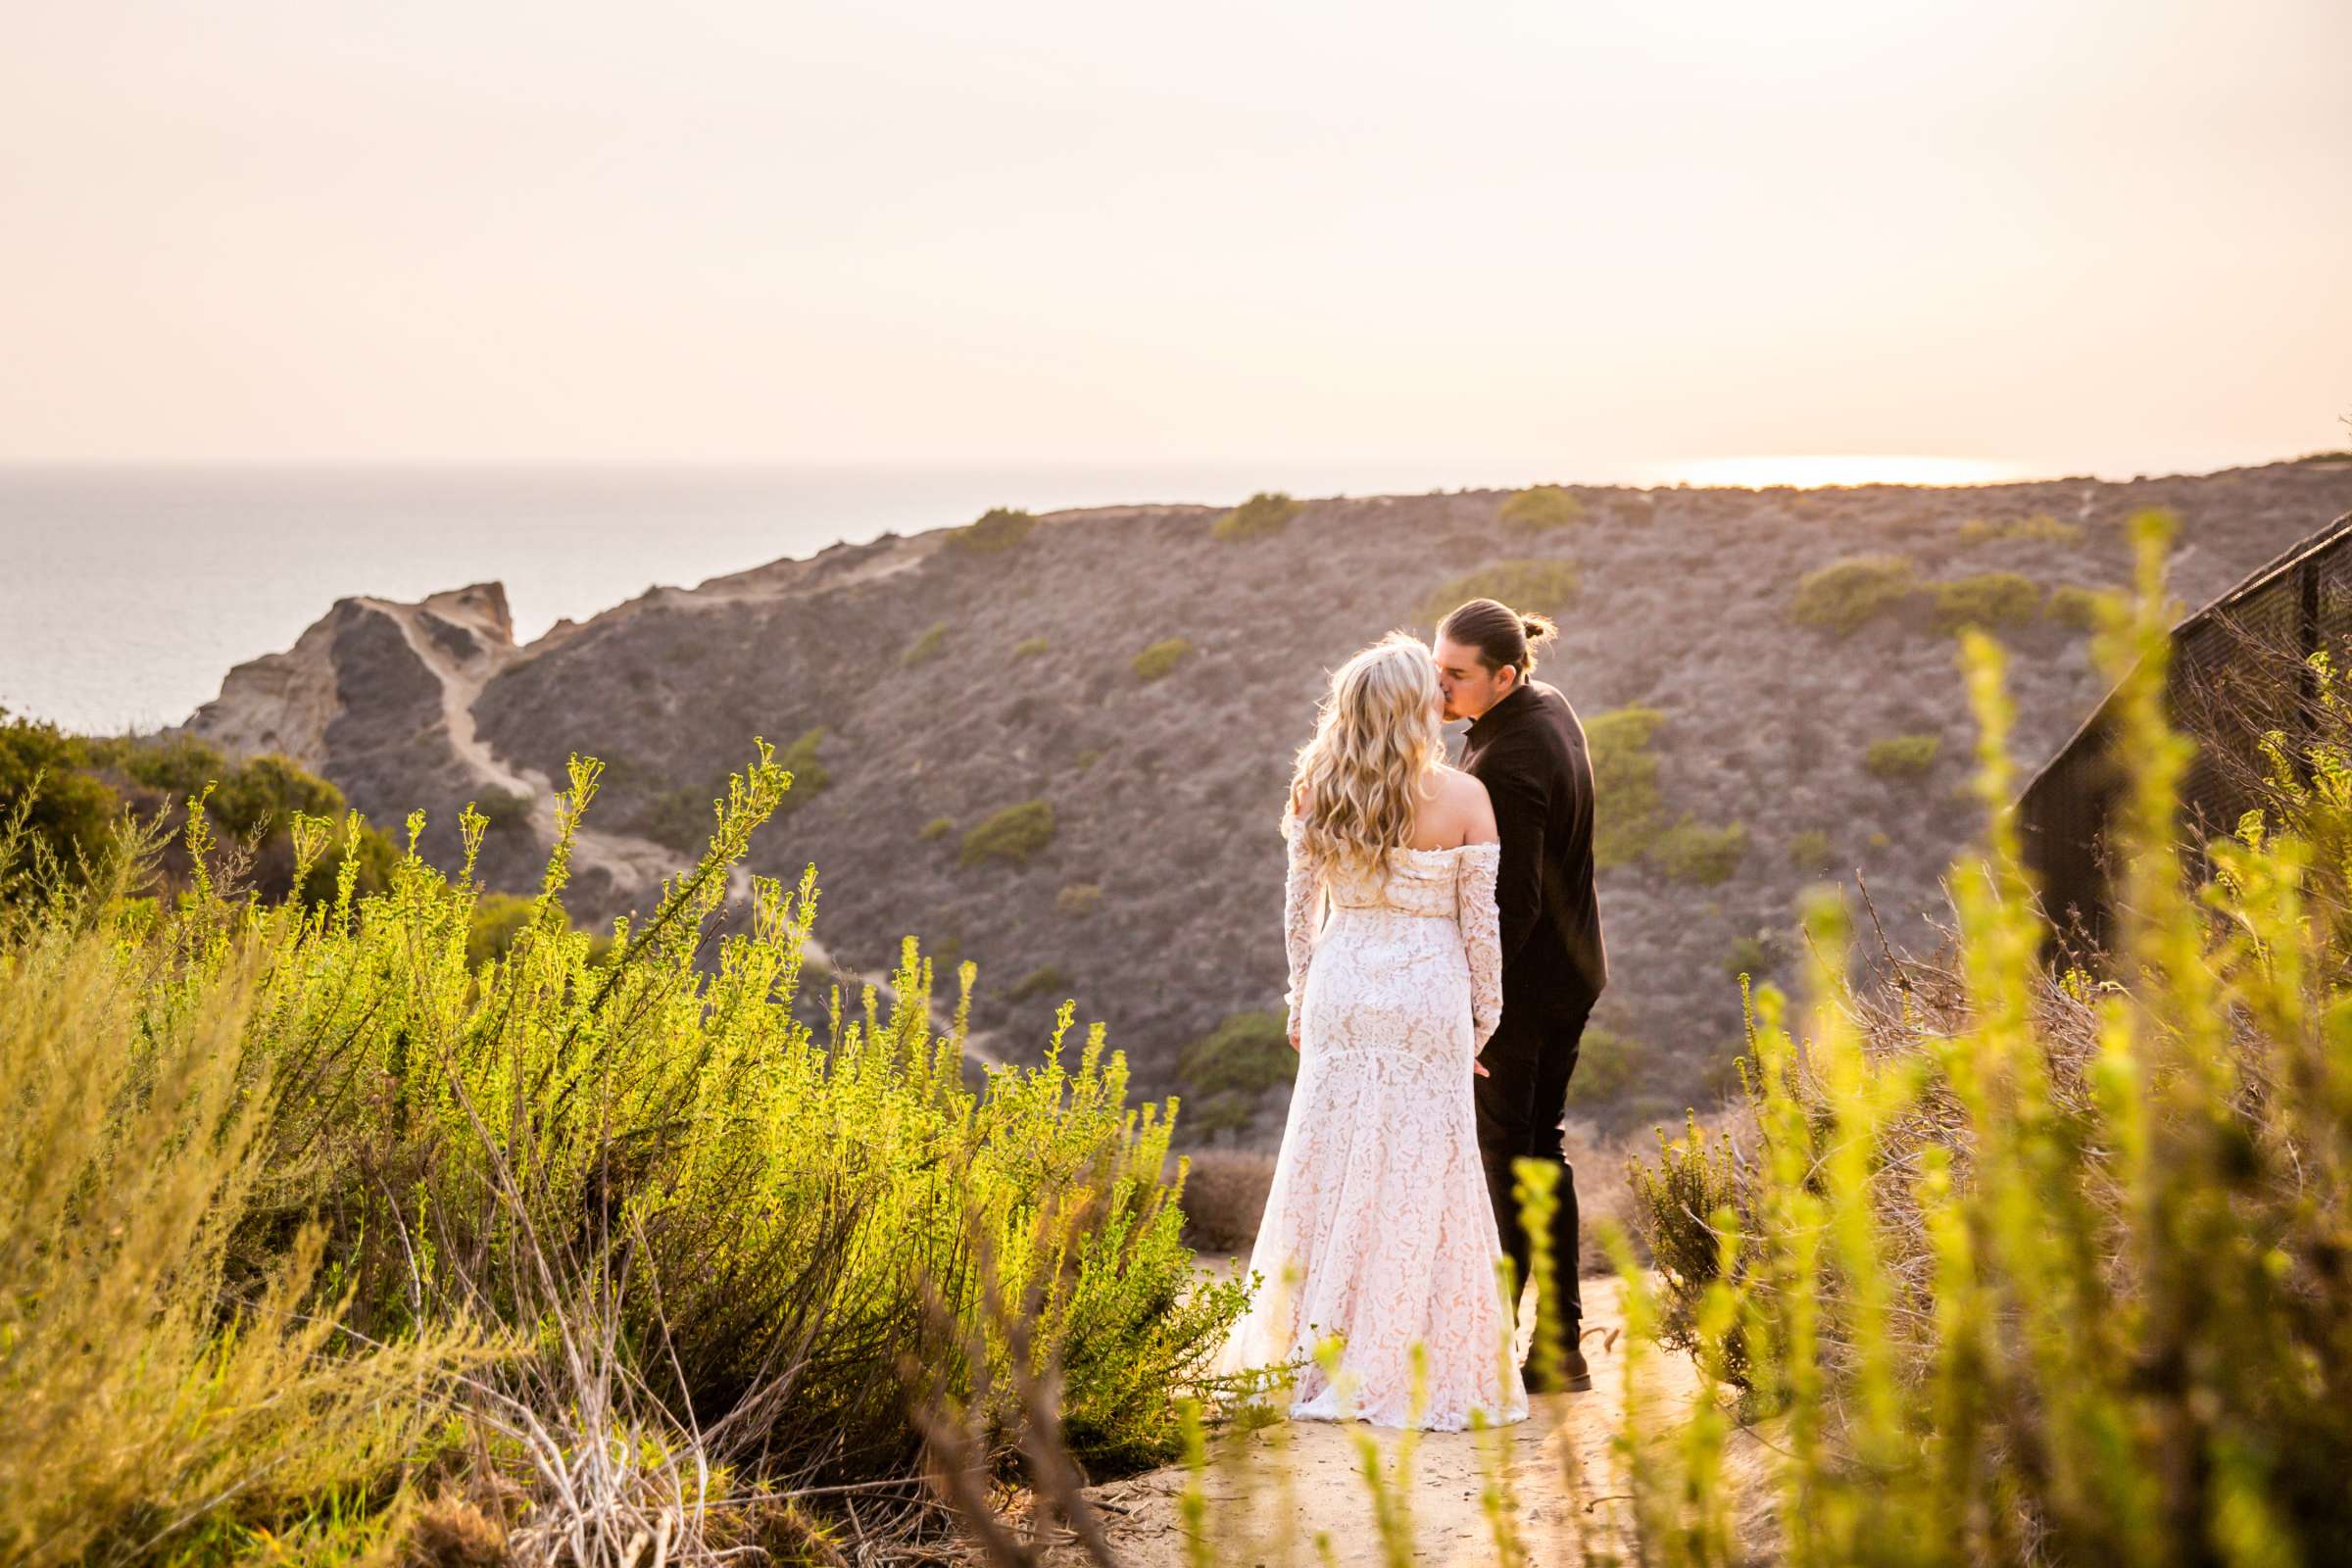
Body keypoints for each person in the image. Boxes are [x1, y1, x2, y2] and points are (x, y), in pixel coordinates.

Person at [1215, 632, 1528, 1431]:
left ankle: (1315, 1352)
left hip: (1344, 989)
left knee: (1327, 1166)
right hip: (1428, 998)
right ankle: (1407, 1358)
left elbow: (1298, 916)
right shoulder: (1463, 798)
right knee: (1424, 1176)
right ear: (1411, 707)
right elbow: (1480, 932)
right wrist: (1480, 1030)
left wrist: (1298, 999)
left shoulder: (1314, 790)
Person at [1434, 598, 1608, 1394]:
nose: (1440, 688)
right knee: (1541, 1152)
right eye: (1439, 669)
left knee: (1508, 1159)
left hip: (1526, 989)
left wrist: (1477, 1011)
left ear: (1504, 675)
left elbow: (1514, 901)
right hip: (1569, 973)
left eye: (1457, 676)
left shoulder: (1509, 757)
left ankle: (1498, 1346)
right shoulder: (1548, 707)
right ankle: (1554, 1346)